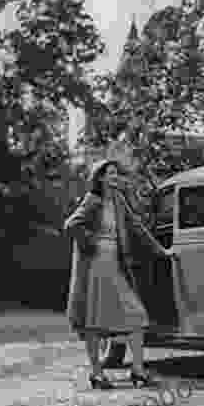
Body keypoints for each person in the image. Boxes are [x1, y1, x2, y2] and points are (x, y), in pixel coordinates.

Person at [64, 159, 168, 390]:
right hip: (95, 266)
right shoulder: (93, 200)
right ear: (100, 177)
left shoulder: (119, 201)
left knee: (136, 315)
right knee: (93, 322)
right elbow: (71, 225)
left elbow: (136, 226)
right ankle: (97, 374)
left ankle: (138, 371)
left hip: (114, 265)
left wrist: (160, 250)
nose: (115, 178)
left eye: (117, 174)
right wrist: (91, 242)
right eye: (110, 174)